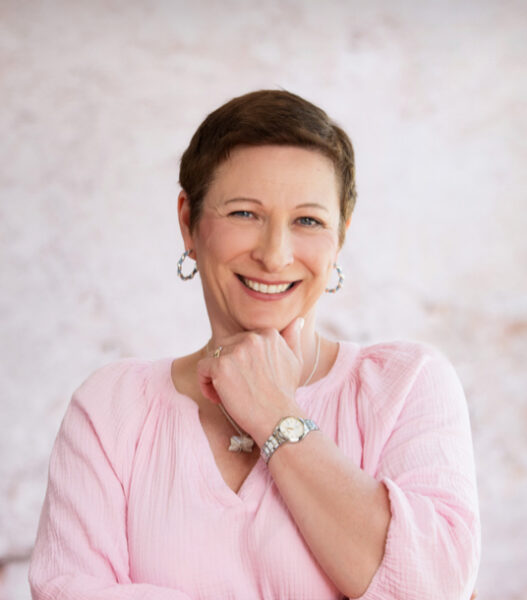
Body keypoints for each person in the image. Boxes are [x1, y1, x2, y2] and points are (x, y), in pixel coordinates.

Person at [29, 90, 480, 599]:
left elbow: (434, 589)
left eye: (308, 221)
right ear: (188, 223)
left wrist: (275, 413)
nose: (274, 254)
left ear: (339, 238)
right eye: (245, 213)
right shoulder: (111, 407)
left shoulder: (406, 385)